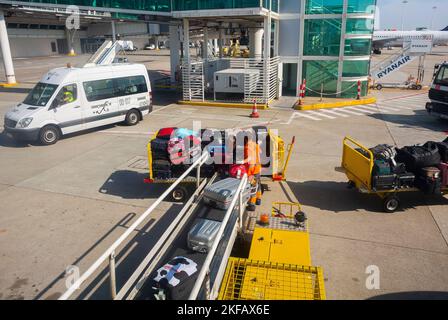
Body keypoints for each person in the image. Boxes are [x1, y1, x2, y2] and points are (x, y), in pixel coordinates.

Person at [244, 132, 262, 212]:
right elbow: (260, 153)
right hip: (258, 168)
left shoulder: (247, 147)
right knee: (258, 185)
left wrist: (241, 161)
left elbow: (250, 160)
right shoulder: (256, 145)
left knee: (253, 187)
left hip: (252, 170)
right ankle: (258, 199)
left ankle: (252, 204)